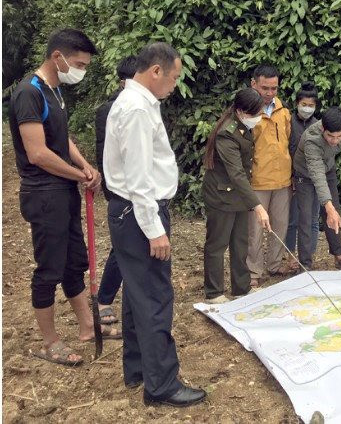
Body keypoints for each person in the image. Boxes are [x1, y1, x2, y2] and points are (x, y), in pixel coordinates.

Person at [8, 28, 119, 367]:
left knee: (75, 261)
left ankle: (88, 326)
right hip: (44, 194)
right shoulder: (30, 92)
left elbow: (61, 138)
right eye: (79, 63)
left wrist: (85, 166)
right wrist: (79, 176)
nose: (81, 70)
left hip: (64, 191)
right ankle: (50, 341)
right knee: (49, 268)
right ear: (57, 57)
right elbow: (38, 153)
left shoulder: (55, 91)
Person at [104, 42, 206, 406]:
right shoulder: (135, 109)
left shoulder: (140, 104)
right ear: (156, 71)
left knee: (137, 294)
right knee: (155, 297)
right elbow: (138, 178)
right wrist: (154, 229)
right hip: (138, 212)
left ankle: (138, 368)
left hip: (132, 211)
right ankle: (162, 385)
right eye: (174, 77)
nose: (175, 84)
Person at [202, 88, 272, 304]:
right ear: (241, 111)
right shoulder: (227, 132)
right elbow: (237, 174)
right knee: (217, 244)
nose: (258, 118)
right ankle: (214, 292)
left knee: (240, 242)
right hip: (222, 195)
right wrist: (258, 206)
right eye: (255, 114)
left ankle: (241, 287)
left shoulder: (242, 126)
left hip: (239, 197)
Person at [95, 55, 137, 324]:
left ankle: (130, 299)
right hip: (123, 191)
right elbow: (105, 153)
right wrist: (112, 189)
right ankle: (104, 300)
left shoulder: (146, 105)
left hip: (143, 190)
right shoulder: (109, 109)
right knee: (121, 249)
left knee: (135, 248)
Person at [247, 65, 294, 287]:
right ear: (253, 84)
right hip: (257, 180)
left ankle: (275, 265)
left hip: (283, 179)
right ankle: (253, 270)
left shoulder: (283, 111)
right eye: (265, 87)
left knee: (280, 225)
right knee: (255, 229)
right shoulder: (246, 112)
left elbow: (289, 140)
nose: (269, 92)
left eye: (274, 88)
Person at [292, 107, 341, 269]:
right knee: (305, 217)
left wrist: (331, 208)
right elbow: (317, 174)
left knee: (334, 212)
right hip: (305, 174)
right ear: (322, 129)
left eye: (339, 136)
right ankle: (305, 264)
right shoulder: (311, 139)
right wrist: (327, 205)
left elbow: (324, 169)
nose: (335, 141)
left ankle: (338, 254)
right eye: (330, 136)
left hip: (328, 168)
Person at [284, 82, 321, 270]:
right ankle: (291, 256)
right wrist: (289, 175)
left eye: (311, 105)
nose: (307, 108)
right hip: (293, 177)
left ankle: (308, 255)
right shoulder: (288, 122)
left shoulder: (319, 126)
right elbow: (284, 150)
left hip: (313, 179)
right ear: (297, 103)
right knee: (293, 219)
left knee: (313, 219)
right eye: (304, 104)